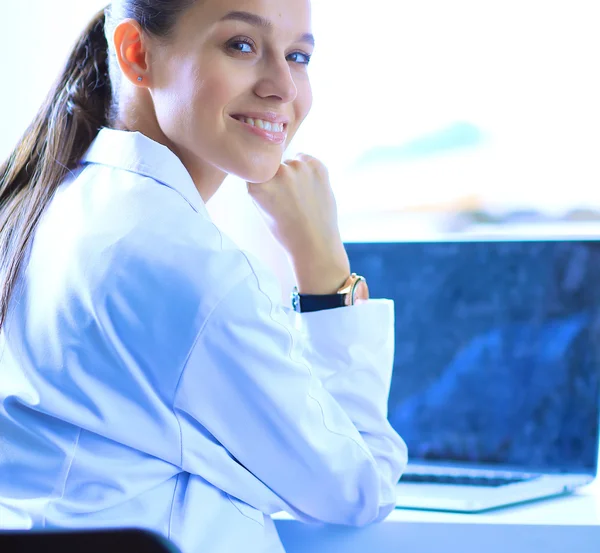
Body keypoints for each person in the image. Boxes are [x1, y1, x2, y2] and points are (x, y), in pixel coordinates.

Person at [0, 1, 407, 552]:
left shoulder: (49, 207)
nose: (283, 86)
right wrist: (324, 265)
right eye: (241, 45)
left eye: (298, 55)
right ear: (138, 54)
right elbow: (359, 489)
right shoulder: (189, 267)